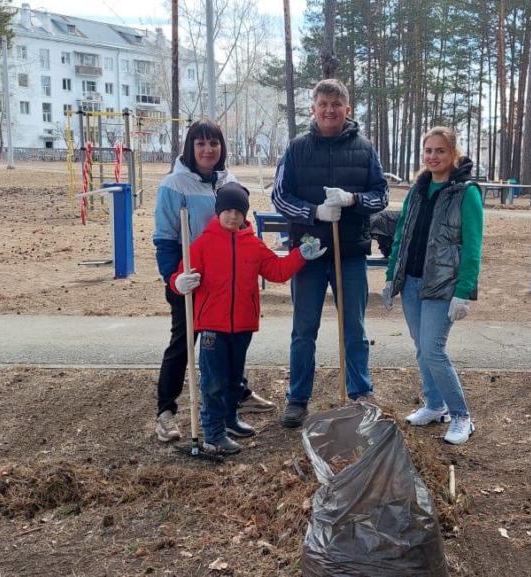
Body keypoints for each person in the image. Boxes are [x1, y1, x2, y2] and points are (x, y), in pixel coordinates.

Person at [170, 183, 328, 455]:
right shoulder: (203, 244)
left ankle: (230, 420)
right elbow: (182, 277)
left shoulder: (253, 245)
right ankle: (213, 432)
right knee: (213, 382)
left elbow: (276, 271)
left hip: (242, 325)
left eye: (238, 211)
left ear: (245, 214)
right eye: (227, 210)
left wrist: (300, 255)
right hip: (212, 326)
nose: (232, 216)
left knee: (234, 378)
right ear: (218, 212)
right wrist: (179, 282)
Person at [271, 78, 389, 428]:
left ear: (347, 109)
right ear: (313, 109)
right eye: (323, 104)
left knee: (354, 326)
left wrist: (353, 200)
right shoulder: (296, 149)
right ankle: (297, 398)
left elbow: (380, 196)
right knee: (304, 328)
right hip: (308, 254)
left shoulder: (365, 149)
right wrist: (314, 213)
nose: (329, 110)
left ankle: (359, 393)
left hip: (349, 253)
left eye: (336, 104)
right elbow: (279, 197)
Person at [152, 119, 275, 444]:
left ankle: (235, 400)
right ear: (191, 148)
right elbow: (165, 238)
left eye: (214, 144)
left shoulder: (228, 180)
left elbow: (241, 226)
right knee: (184, 343)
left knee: (230, 343)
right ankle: (166, 412)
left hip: (224, 284)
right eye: (201, 144)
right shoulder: (174, 185)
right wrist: (173, 280)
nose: (208, 150)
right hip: (191, 279)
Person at [380, 126, 483, 445]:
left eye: (440, 150)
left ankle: (462, 416)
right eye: (428, 151)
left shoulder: (466, 192)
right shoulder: (417, 189)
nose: (433, 156)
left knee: (434, 349)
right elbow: (401, 235)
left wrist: (463, 291)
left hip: (442, 285)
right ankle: (435, 406)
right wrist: (390, 276)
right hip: (411, 282)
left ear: (454, 153)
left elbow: (472, 245)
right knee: (422, 348)